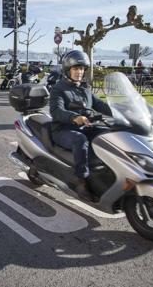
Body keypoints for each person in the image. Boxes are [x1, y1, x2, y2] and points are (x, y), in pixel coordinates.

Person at [49, 50, 112, 202]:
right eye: (76, 68)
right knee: (80, 140)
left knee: (108, 134)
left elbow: (99, 104)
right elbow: (56, 111)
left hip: (85, 126)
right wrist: (74, 117)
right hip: (63, 130)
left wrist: (121, 111)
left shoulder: (85, 88)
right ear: (67, 70)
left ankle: (106, 172)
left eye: (82, 68)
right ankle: (81, 181)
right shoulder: (59, 88)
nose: (79, 72)